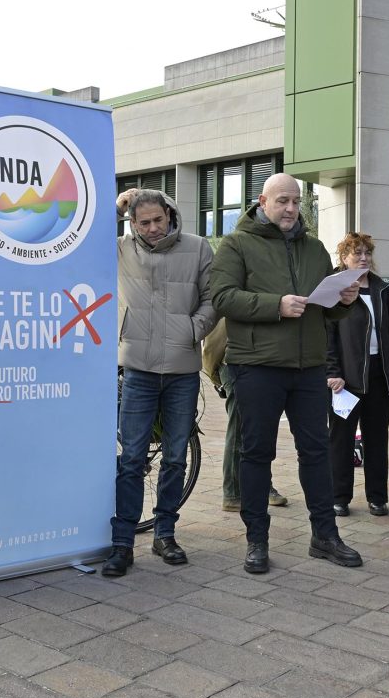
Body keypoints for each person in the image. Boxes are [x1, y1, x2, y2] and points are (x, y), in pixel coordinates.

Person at [210, 172, 362, 574]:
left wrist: (344, 300)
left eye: (296, 201)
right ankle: (256, 540)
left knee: (316, 452)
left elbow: (326, 308)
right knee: (257, 453)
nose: (291, 208)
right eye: (282, 201)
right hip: (256, 366)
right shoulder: (237, 244)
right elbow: (222, 297)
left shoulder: (314, 249)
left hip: (308, 367)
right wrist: (275, 305)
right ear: (263, 202)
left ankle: (324, 536)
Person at [103, 188, 217, 576]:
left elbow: (213, 298)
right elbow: (84, 241)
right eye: (143, 222)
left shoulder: (198, 247)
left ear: (170, 214)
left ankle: (165, 533)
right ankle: (122, 542)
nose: (153, 228)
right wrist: (116, 207)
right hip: (137, 368)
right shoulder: (120, 248)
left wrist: (191, 330)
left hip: (183, 371)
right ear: (132, 224)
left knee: (175, 457)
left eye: (158, 220)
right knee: (132, 458)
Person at [325, 232, 389, 517]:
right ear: (344, 258)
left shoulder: (382, 289)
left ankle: (377, 498)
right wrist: (332, 372)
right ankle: (339, 497)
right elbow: (327, 334)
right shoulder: (335, 289)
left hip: (379, 375)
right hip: (345, 379)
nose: (363, 258)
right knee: (341, 439)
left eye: (367, 253)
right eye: (357, 253)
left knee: (376, 438)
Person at [201, 319, 289, 512]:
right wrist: (216, 374)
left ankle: (262, 486)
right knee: (239, 429)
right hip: (234, 364)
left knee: (261, 429)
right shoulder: (231, 303)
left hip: (263, 364)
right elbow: (214, 342)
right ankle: (232, 493)